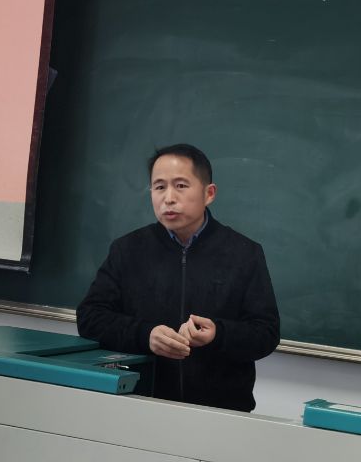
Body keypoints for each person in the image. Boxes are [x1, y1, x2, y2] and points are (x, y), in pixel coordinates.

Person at [76, 143, 280, 412]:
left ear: (209, 193)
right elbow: (90, 318)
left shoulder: (244, 253)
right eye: (159, 187)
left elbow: (266, 333)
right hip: (139, 405)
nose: (169, 198)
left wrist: (218, 334)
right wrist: (145, 335)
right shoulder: (128, 250)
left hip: (221, 412)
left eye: (181, 185)